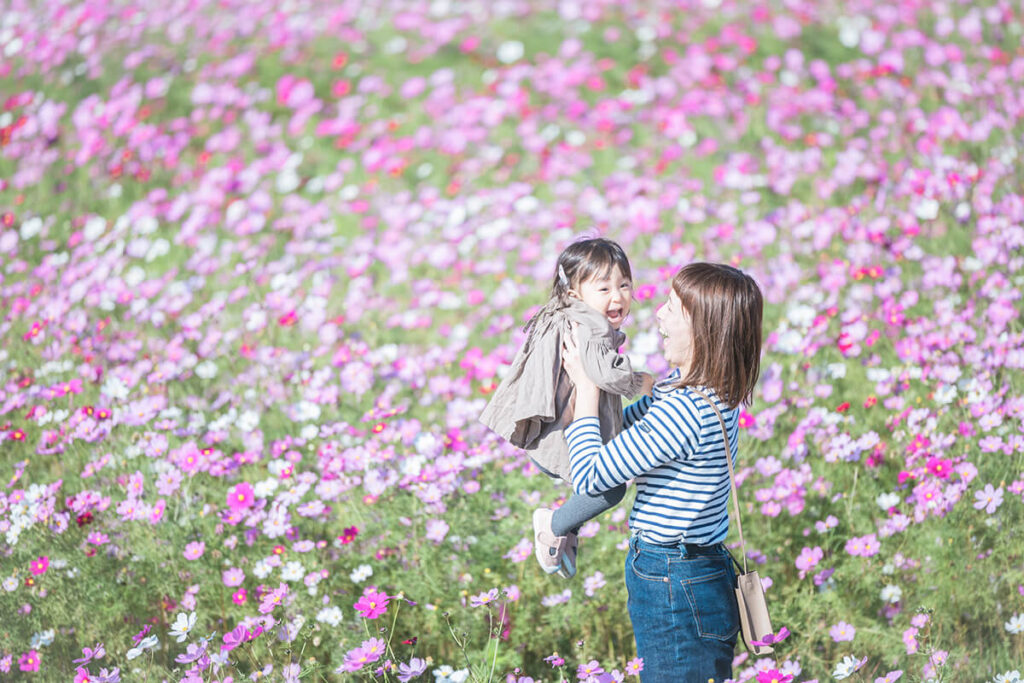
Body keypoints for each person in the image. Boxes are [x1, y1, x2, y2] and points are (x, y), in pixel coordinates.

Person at [560, 262, 763, 682]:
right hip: (696, 571)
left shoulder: (683, 411)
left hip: (674, 578)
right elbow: (625, 431)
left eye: (673, 308)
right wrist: (613, 374)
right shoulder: (699, 391)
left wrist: (586, 386)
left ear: (704, 330)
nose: (659, 315)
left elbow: (591, 476)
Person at [479, 238, 654, 578]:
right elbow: (602, 373)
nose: (617, 296)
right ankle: (555, 524)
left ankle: (568, 527)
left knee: (607, 476)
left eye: (624, 285)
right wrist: (639, 383)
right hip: (564, 432)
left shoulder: (566, 315)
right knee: (611, 486)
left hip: (559, 426)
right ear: (575, 295)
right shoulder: (592, 326)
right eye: (603, 288)